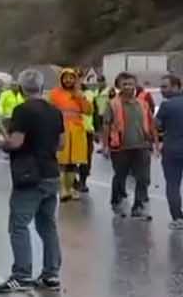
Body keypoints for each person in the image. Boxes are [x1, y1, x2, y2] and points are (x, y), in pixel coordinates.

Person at [0, 70, 63, 294]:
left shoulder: (22, 110)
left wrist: (2, 142)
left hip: (29, 175)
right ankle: (51, 273)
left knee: (19, 225)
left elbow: (16, 143)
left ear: (21, 88)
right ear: (42, 87)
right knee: (48, 225)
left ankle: (22, 275)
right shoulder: (54, 111)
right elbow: (61, 143)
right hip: (51, 173)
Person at [100, 72, 156, 219]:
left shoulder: (142, 104)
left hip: (141, 146)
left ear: (135, 85)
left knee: (143, 177)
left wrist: (154, 142)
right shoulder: (113, 104)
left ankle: (139, 206)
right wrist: (105, 146)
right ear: (119, 86)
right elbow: (106, 125)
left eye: (131, 83)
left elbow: (150, 123)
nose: (128, 87)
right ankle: (117, 202)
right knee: (120, 176)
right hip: (120, 147)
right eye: (124, 84)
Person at [45, 67, 92, 201]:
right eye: (66, 78)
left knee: (73, 162)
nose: (68, 80)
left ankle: (69, 188)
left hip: (77, 131)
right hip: (60, 130)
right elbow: (48, 111)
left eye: (71, 78)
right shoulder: (54, 94)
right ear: (61, 79)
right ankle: (62, 190)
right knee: (61, 161)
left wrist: (81, 98)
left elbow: (88, 111)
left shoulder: (79, 94)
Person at [158, 75, 183, 230]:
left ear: (177, 87)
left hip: (172, 150)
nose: (161, 90)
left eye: (165, 87)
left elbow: (156, 125)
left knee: (172, 184)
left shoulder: (166, 106)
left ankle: (178, 218)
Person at [78, 74, 106, 192]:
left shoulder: (89, 94)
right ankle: (71, 182)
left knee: (86, 158)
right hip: (70, 131)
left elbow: (94, 114)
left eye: (79, 77)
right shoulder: (64, 93)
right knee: (69, 159)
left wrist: (97, 131)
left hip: (87, 131)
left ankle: (82, 181)